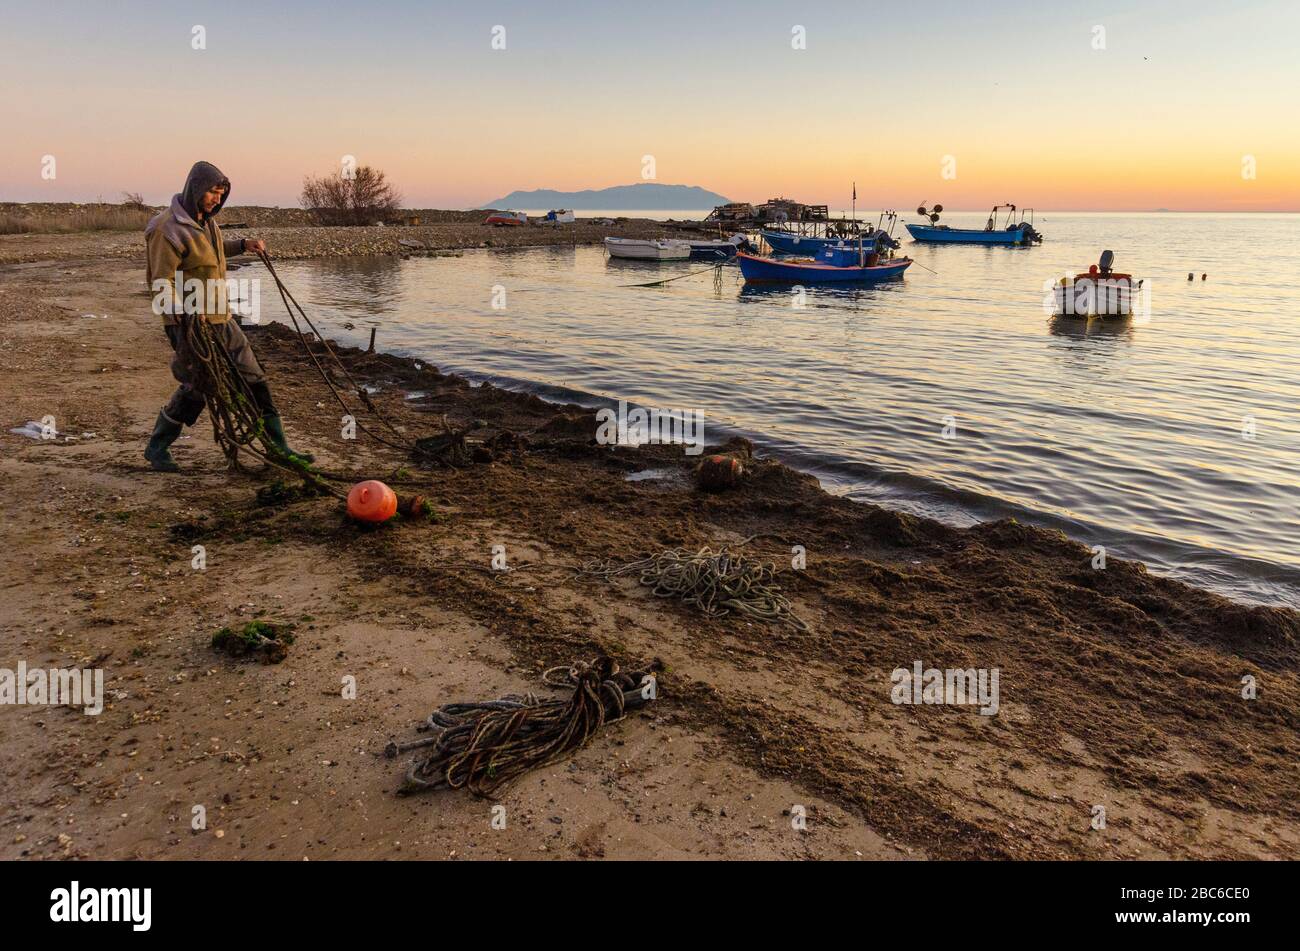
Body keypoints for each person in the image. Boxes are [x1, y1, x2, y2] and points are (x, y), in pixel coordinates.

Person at [143, 161, 313, 472]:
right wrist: (186, 317)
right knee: (199, 387)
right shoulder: (165, 228)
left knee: (253, 374)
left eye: (221, 195)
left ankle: (279, 447)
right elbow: (160, 284)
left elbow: (211, 253)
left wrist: (243, 245)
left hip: (222, 317)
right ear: (195, 188)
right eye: (212, 192)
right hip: (189, 326)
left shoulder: (207, 223)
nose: (217, 200)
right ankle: (158, 446)